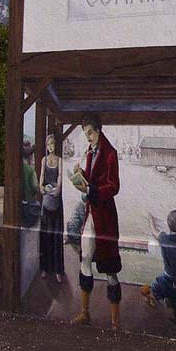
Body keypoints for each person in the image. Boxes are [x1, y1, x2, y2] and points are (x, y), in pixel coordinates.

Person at [70, 114, 122, 330]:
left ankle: (115, 322)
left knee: (110, 269)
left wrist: (90, 189)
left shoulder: (110, 154)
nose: (87, 137)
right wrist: (81, 175)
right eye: (85, 134)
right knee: (85, 259)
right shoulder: (91, 152)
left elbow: (114, 186)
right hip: (92, 214)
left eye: (90, 133)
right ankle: (85, 314)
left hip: (106, 218)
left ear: (99, 130)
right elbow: (93, 181)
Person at [145, 209, 176, 326]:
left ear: (168, 224)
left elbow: (154, 231)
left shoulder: (164, 238)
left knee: (155, 286)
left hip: (167, 280)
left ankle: (164, 300)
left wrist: (150, 219)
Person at [39, 134, 64, 283]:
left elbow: (60, 176)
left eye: (52, 144)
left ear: (56, 145)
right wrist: (41, 187)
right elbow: (42, 176)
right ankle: (44, 268)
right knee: (45, 235)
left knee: (56, 236)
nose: (50, 147)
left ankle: (57, 270)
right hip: (46, 199)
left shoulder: (59, 160)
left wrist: (58, 189)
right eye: (48, 145)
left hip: (56, 199)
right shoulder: (44, 160)